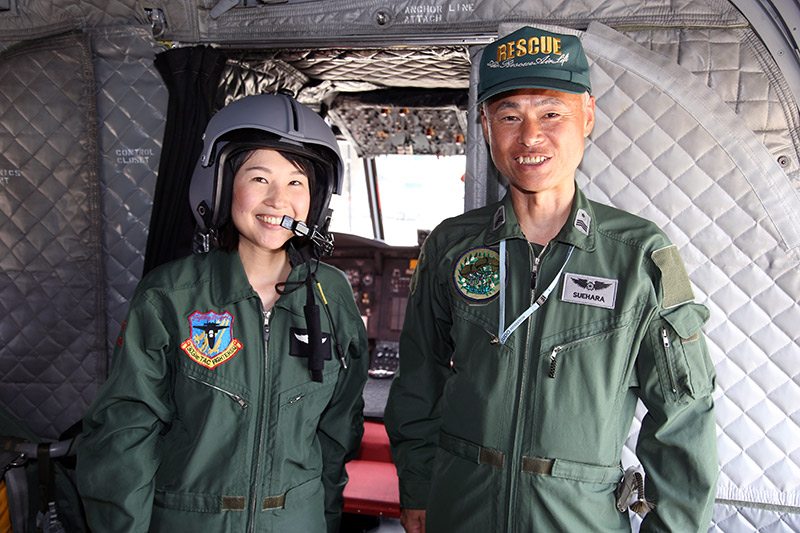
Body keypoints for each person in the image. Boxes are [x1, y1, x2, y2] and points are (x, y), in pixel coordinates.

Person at [384, 26, 718, 533]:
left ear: (587, 116)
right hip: (459, 512)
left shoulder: (638, 254)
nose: (530, 136)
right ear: (485, 126)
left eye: (551, 113)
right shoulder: (452, 246)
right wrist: (417, 487)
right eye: (509, 116)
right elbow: (418, 381)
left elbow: (683, 415)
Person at [77, 94, 369, 533]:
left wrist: (320, 520)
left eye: (296, 183)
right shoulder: (170, 297)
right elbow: (124, 436)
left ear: (317, 199)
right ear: (221, 186)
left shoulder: (331, 296)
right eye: (259, 177)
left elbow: (337, 430)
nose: (278, 200)